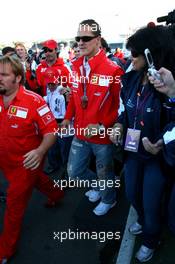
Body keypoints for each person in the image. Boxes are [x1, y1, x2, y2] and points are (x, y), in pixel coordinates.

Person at [110, 25, 175, 262]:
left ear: (152, 55)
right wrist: (118, 125)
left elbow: (173, 122)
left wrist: (161, 141)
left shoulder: (168, 84)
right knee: (131, 193)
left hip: (157, 157)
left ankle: (151, 238)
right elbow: (124, 111)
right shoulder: (130, 79)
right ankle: (144, 222)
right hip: (131, 149)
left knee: (151, 202)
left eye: (135, 54)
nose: (130, 58)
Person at [0, 55, 64, 262]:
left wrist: (39, 151)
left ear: (18, 78)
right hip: (5, 161)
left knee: (14, 203)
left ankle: (5, 250)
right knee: (38, 180)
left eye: (3, 74)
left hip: (26, 164)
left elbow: (52, 130)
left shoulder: (34, 101)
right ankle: (56, 194)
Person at [62, 19, 124, 216]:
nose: (80, 42)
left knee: (105, 171)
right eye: (78, 38)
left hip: (102, 136)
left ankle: (109, 198)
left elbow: (122, 109)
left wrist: (101, 125)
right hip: (80, 132)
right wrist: (66, 117)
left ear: (98, 40)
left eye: (86, 38)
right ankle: (101, 187)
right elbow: (74, 97)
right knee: (74, 172)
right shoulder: (75, 67)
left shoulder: (114, 70)